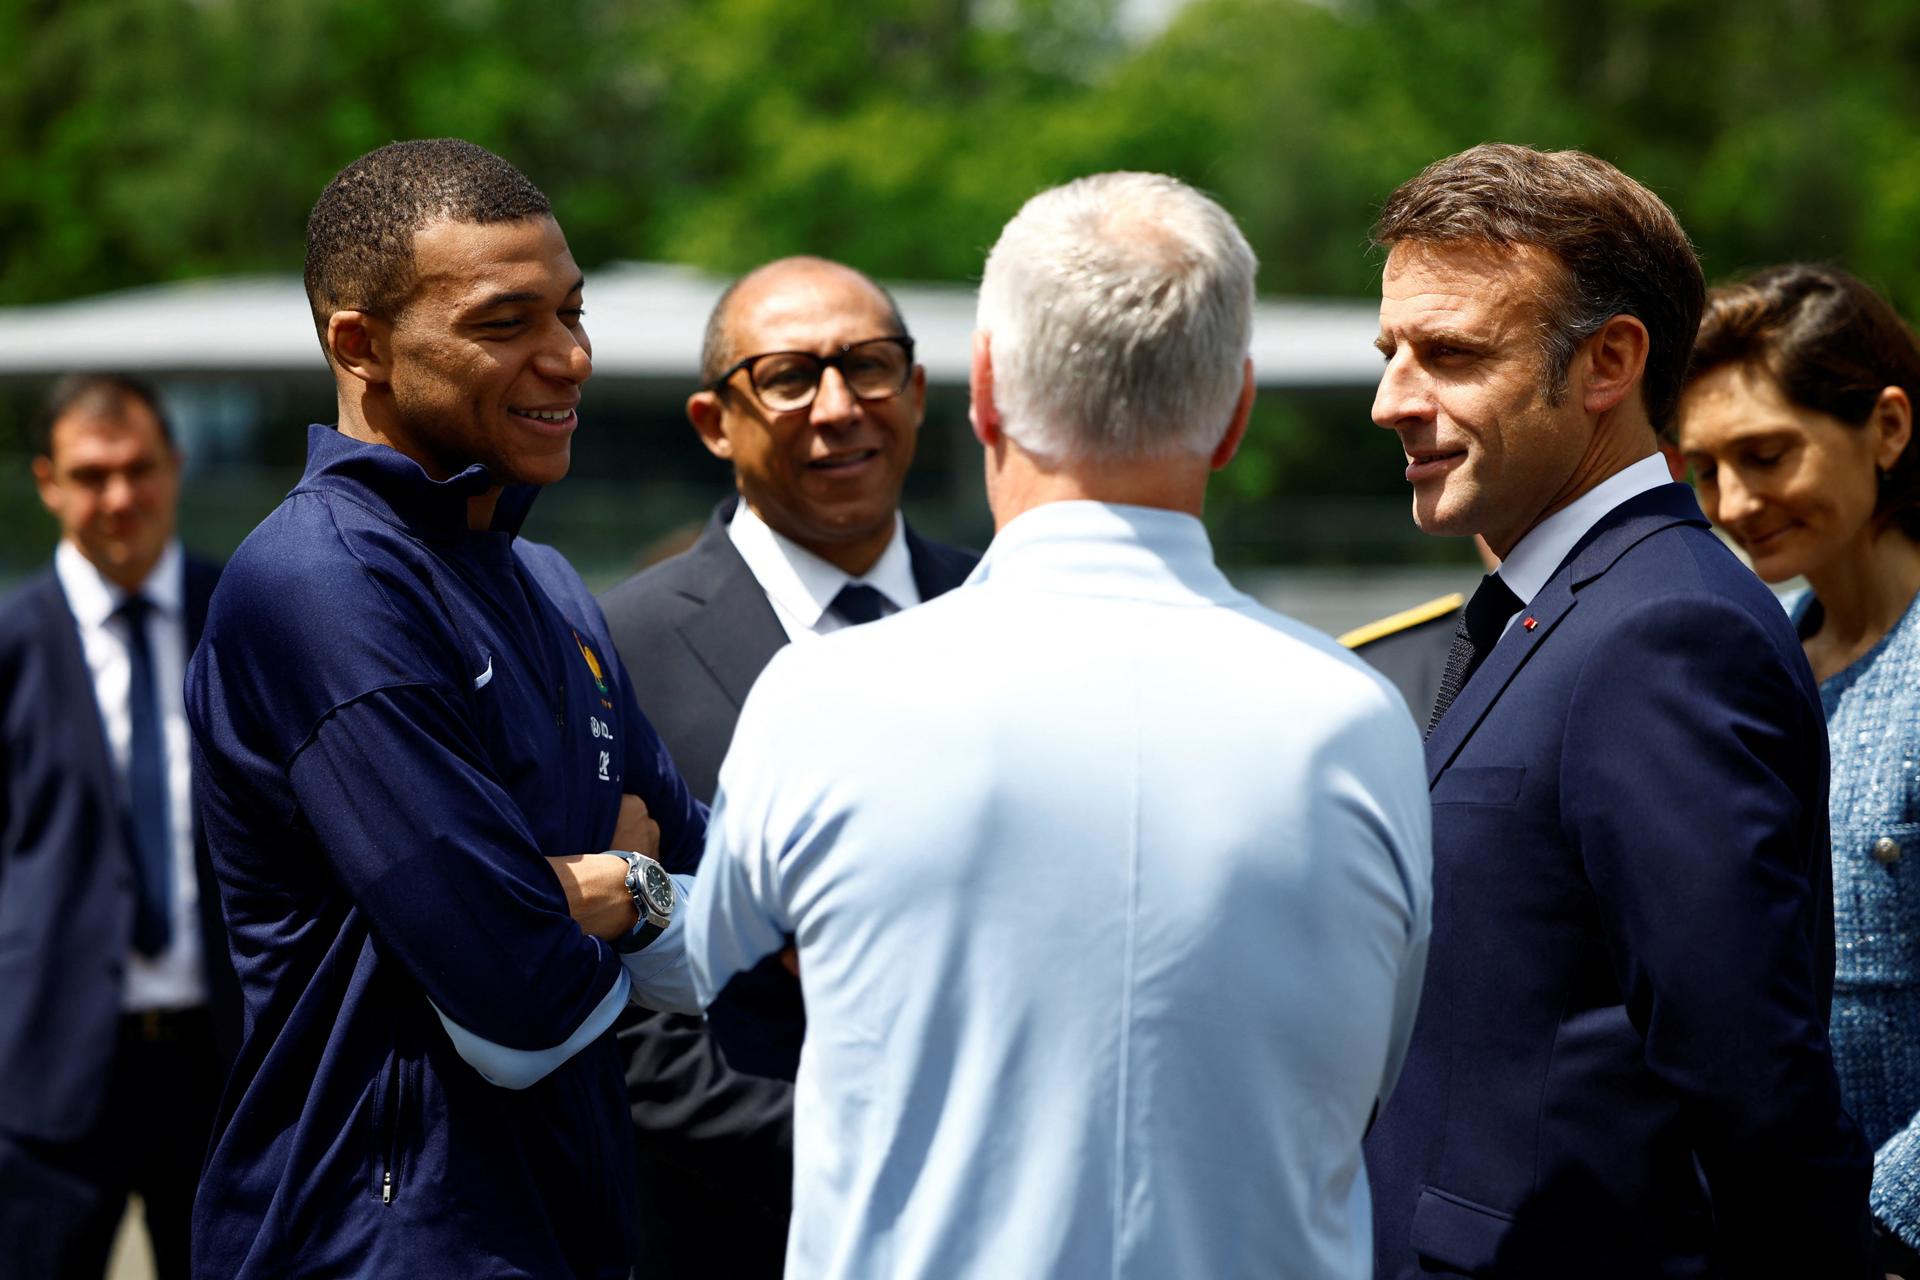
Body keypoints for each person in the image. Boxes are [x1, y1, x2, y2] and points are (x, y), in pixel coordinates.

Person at [687, 171, 1433, 1280]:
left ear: (983, 392)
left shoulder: (822, 697)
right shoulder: (1360, 717)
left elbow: (696, 972)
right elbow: (1379, 1056)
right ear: (1235, 410)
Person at [185, 139, 707, 1279]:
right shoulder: (318, 581)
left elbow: (706, 910)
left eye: (572, 312)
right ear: (359, 343)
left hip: (572, 1231)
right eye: (503, 322)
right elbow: (518, 1005)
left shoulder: (550, 584)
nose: (567, 356)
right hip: (376, 1243)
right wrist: (624, 884)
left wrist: (609, 895)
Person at [1360, 142, 1877, 1279]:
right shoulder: (1564, 611)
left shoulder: (1661, 632)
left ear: (1609, 361)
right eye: (1392, 350)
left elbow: (1745, 1067)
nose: (1393, 398)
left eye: (1449, 352)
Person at [597, 255, 976, 1274]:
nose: (839, 405)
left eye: (870, 365)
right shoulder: (613, 650)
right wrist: (890, 1158)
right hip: (733, 1223)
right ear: (714, 422)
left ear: (920, 393)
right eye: (790, 376)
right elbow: (608, 1006)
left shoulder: (1015, 615)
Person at [1672, 263, 1920, 1277]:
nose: (1733, 501)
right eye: (1703, 468)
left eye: (1766, 454)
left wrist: (1880, 1229)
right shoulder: (1746, 651)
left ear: (1889, 428)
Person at [0, 375, 239, 1280]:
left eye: (139, 469)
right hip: (47, 1074)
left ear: (176, 467)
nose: (119, 498)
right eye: (90, 474)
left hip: (221, 1061)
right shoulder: (13, 644)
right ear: (48, 482)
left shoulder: (246, 623)